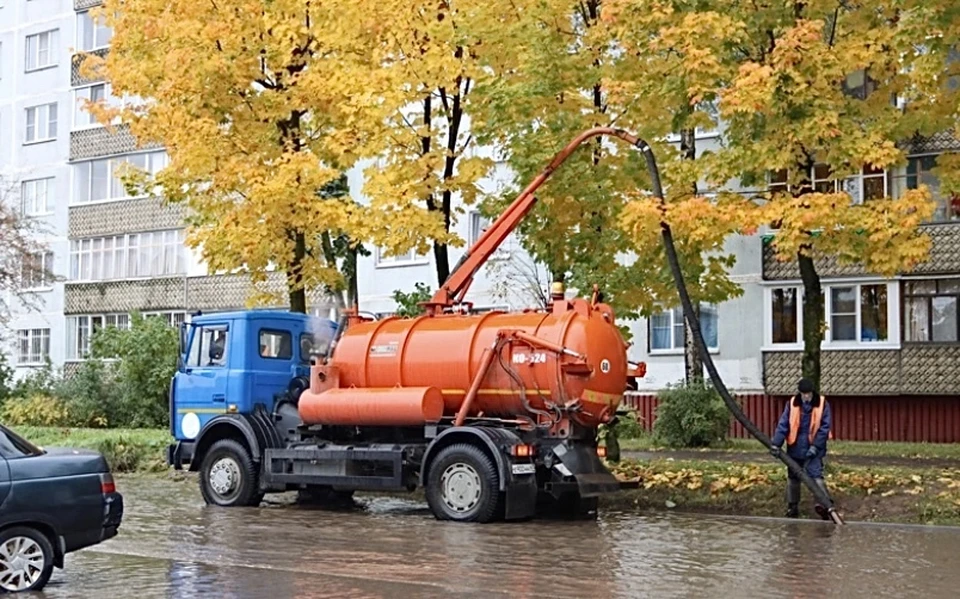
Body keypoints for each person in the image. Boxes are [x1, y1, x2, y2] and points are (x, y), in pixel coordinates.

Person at [770, 378, 833, 519]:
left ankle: (825, 506)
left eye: (808, 394)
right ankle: (792, 507)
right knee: (793, 478)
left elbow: (824, 428)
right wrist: (776, 444)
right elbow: (783, 425)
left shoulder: (823, 404)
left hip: (814, 449)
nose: (806, 396)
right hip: (795, 447)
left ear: (812, 392)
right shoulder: (792, 404)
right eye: (803, 394)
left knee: (816, 477)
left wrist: (816, 447)